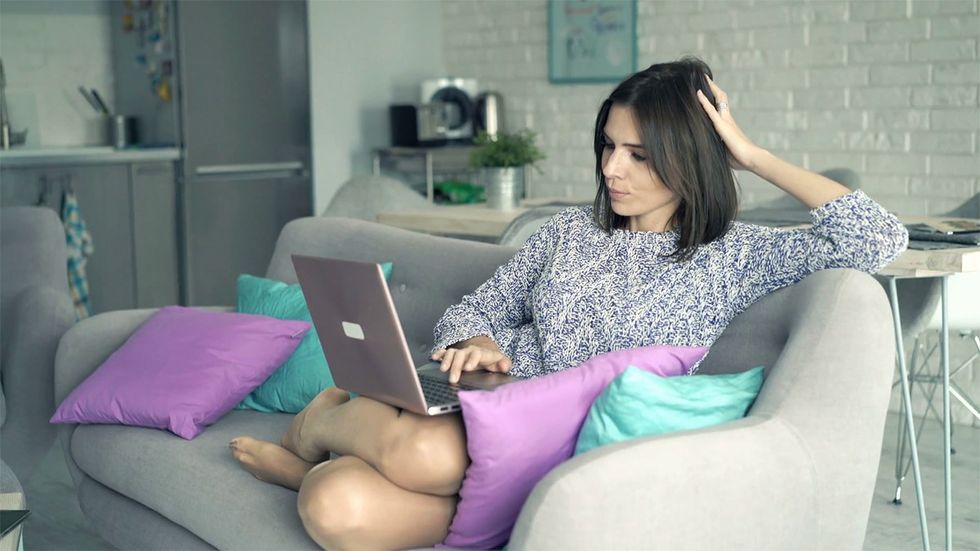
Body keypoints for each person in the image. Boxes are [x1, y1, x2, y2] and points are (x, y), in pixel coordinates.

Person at [229, 56, 907, 550]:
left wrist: (752, 154)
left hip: (566, 460)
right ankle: (324, 433)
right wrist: (479, 342)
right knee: (367, 488)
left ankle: (320, 430)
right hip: (489, 416)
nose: (612, 168)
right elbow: (469, 312)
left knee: (358, 491)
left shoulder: (733, 254)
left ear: (692, 159)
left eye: (639, 156)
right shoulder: (566, 233)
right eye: (609, 146)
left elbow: (877, 238)